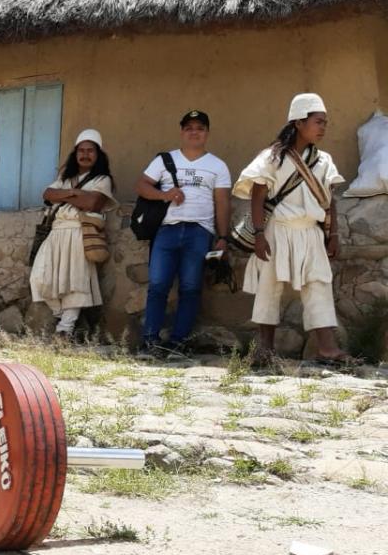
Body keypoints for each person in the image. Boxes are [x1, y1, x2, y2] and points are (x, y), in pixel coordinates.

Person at [234, 93, 353, 367]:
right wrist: (260, 234)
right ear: (299, 123)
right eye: (318, 122)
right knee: (269, 286)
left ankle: (327, 348)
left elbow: (328, 200)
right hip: (278, 230)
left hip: (311, 232)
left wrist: (332, 235)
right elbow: (258, 196)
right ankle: (264, 351)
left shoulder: (324, 161)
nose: (323, 128)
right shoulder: (272, 157)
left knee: (319, 284)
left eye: (325, 123)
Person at [136, 110, 232, 356]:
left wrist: (223, 238)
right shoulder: (165, 160)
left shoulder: (218, 166)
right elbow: (142, 185)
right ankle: (150, 341)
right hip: (166, 230)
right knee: (157, 285)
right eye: (189, 128)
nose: (194, 132)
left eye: (199, 128)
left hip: (200, 232)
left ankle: (178, 342)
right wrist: (164, 195)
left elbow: (222, 203)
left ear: (207, 133)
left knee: (190, 288)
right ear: (182, 132)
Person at [29, 129, 117, 338]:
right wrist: (73, 193)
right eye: (81, 150)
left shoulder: (103, 179)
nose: (85, 154)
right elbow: (48, 194)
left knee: (75, 282)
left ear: (98, 155)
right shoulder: (65, 177)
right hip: (56, 232)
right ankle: (61, 314)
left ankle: (65, 329)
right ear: (75, 153)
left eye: (90, 151)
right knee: (38, 277)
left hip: (79, 232)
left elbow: (92, 202)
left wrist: (64, 196)